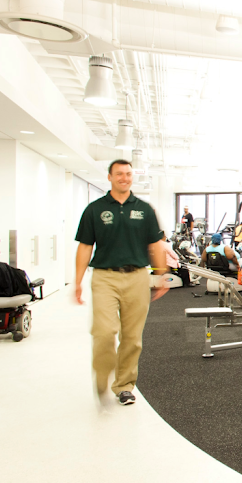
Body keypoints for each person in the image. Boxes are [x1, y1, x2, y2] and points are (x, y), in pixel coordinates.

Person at [74, 159, 168, 407]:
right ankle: (103, 374)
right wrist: (77, 281)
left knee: (132, 337)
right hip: (105, 277)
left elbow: (156, 244)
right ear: (110, 177)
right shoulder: (94, 209)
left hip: (137, 276)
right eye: (119, 174)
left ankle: (125, 385)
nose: (124, 178)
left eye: (128, 174)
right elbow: (85, 246)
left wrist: (161, 276)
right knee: (104, 332)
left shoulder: (145, 209)